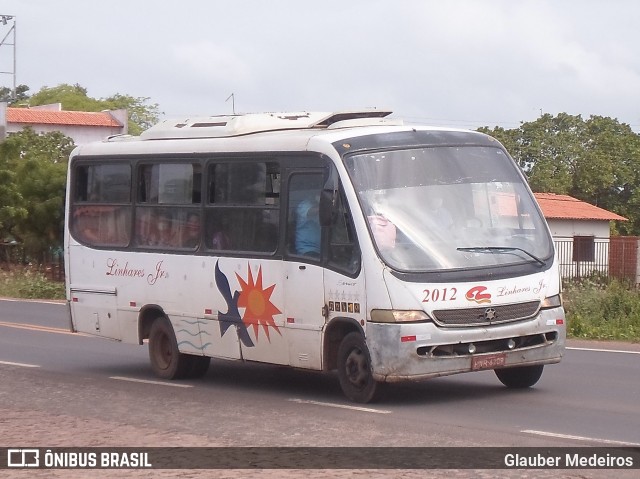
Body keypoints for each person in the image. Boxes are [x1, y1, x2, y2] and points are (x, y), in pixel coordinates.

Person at [295, 192, 321, 257]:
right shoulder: (303, 205)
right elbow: (310, 212)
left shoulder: (317, 206)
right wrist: (324, 205)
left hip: (319, 248)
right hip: (306, 248)